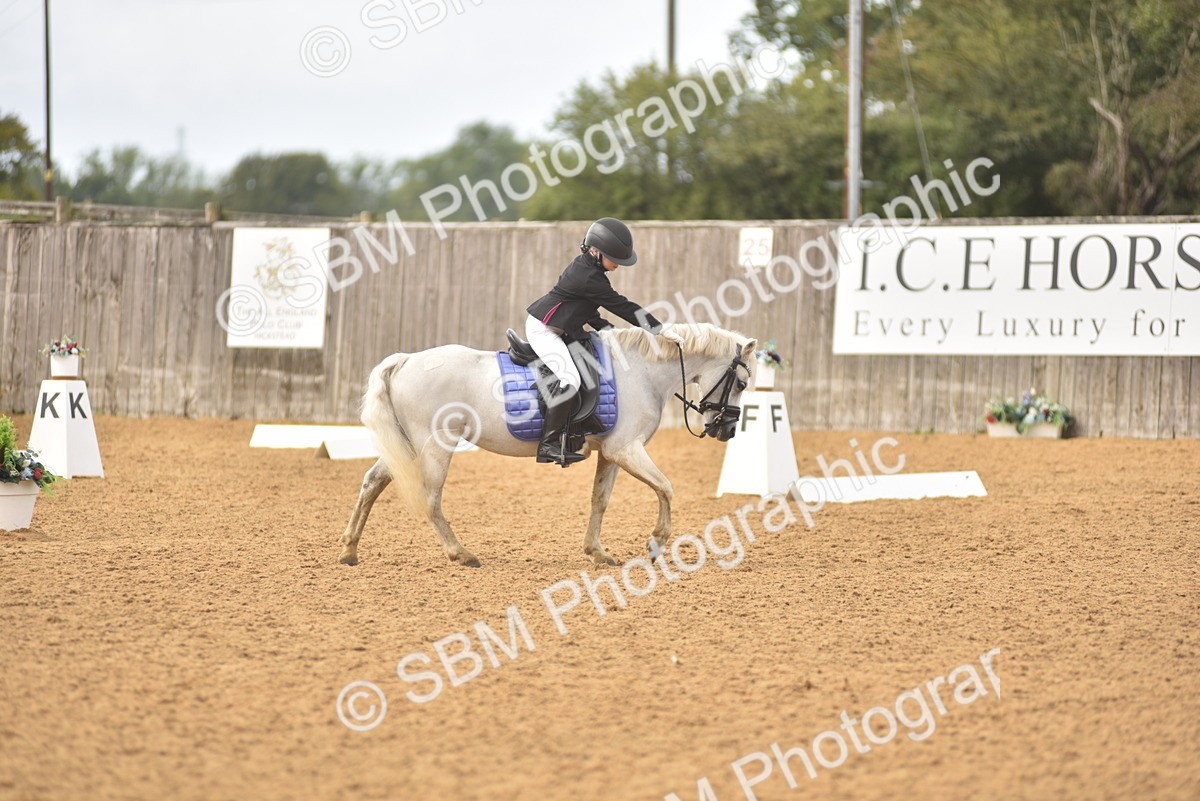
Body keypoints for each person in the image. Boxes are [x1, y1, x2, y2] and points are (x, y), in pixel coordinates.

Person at [526, 217, 684, 465]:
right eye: (615, 259)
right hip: (545, 330)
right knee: (570, 379)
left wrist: (611, 332)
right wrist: (658, 329)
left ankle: (584, 422)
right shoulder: (589, 277)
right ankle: (549, 444)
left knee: (595, 361)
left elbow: (588, 311)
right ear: (596, 252)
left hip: (565, 327)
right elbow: (623, 306)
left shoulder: (590, 270)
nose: (619, 265)